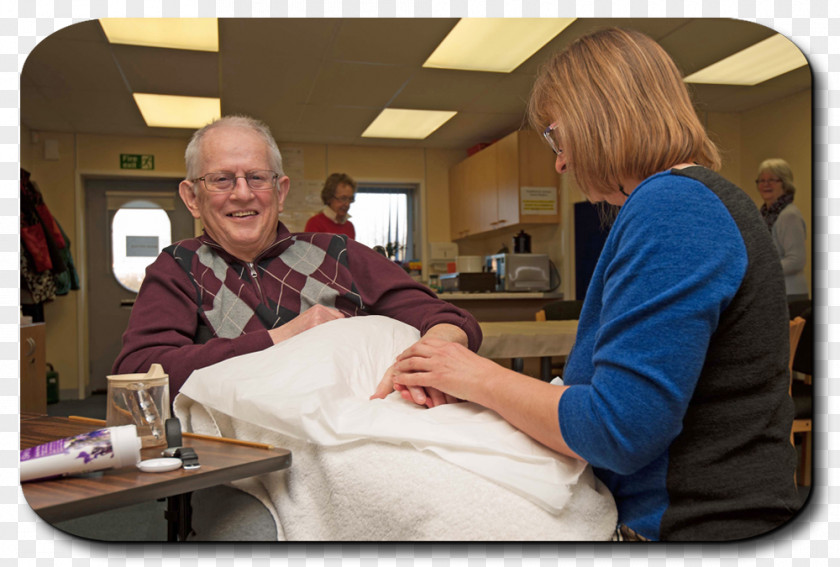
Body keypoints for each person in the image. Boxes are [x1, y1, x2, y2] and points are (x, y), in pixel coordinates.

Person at [373, 28, 800, 541]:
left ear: (600, 118)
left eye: (556, 136)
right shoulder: (693, 201)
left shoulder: (673, 208)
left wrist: (473, 375)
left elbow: (616, 429)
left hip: (692, 526)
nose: (560, 161)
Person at [112, 115, 481, 404]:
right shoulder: (178, 267)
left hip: (370, 424)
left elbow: (450, 319)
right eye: (221, 179)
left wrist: (433, 355)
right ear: (192, 197)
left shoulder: (339, 252)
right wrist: (283, 337)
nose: (243, 194)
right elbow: (140, 373)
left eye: (257, 177)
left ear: (280, 190)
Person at [755, 158, 809, 303]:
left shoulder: (788, 215)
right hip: (773, 291)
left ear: (785, 183)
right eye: (761, 180)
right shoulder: (765, 214)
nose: (765, 185)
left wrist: (762, 269)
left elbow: (796, 260)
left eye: (772, 180)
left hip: (790, 294)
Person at [304, 172, 357, 238]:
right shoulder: (315, 223)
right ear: (329, 198)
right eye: (343, 198)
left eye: (350, 199)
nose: (347, 204)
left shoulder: (349, 226)